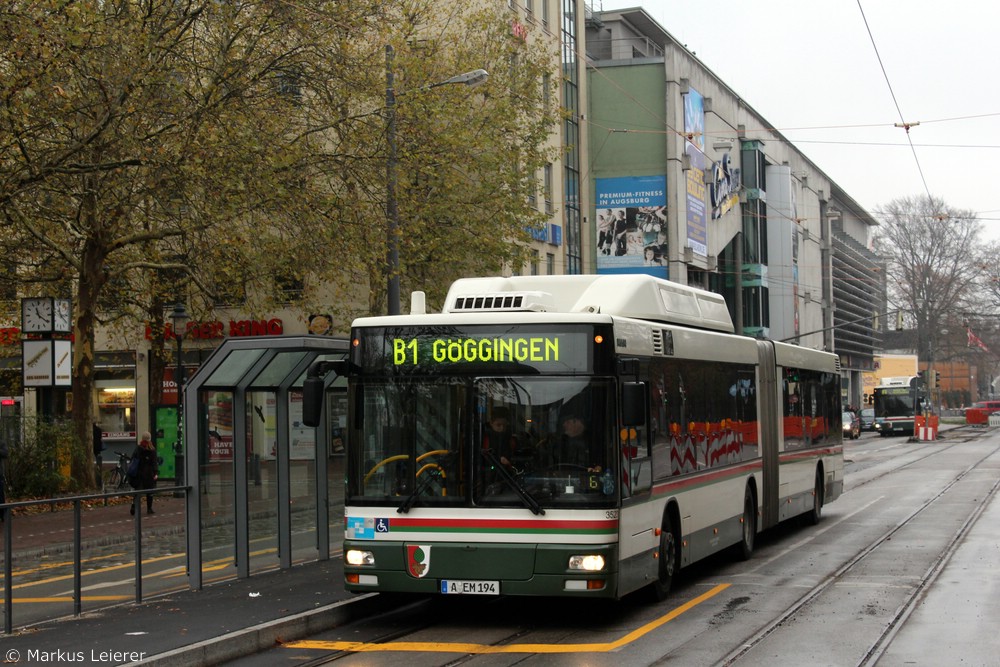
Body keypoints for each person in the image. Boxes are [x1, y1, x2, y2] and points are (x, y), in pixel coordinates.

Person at [130, 432, 159, 515]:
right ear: (150, 439)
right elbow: (154, 463)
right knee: (150, 492)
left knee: (137, 491)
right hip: (149, 474)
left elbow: (133, 459)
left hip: (139, 473)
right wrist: (155, 473)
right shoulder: (152, 450)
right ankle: (149, 508)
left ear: (142, 439)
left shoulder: (138, 448)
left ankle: (134, 506)